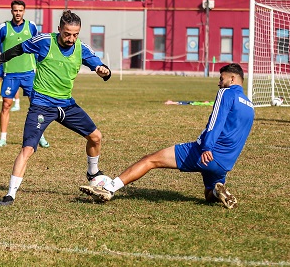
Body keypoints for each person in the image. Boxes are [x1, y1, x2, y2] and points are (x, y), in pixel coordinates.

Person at [80, 63, 254, 209]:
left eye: (221, 79)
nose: (219, 83)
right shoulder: (250, 106)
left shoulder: (226, 93)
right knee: (208, 194)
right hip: (225, 163)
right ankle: (218, 191)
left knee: (150, 160)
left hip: (205, 153)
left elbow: (216, 123)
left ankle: (108, 189)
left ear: (232, 79)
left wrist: (207, 147)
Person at [0, 10, 111, 206]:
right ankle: (10, 195)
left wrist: (104, 72)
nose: (71, 39)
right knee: (27, 149)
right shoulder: (44, 41)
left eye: (75, 34)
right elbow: (16, 50)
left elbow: (102, 68)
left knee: (96, 137)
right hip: (42, 105)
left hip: (67, 104)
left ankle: (92, 172)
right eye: (67, 34)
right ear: (59, 29)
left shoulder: (81, 48)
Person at [0, 0, 47, 147]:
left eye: (20, 10)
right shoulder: (4, 28)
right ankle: (3, 138)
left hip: (29, 73)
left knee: (36, 105)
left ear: (24, 11)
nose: (18, 13)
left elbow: (39, 46)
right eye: (15, 10)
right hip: (10, 74)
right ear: (11, 11)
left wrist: (42, 65)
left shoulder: (31, 26)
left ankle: (41, 136)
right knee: (6, 105)